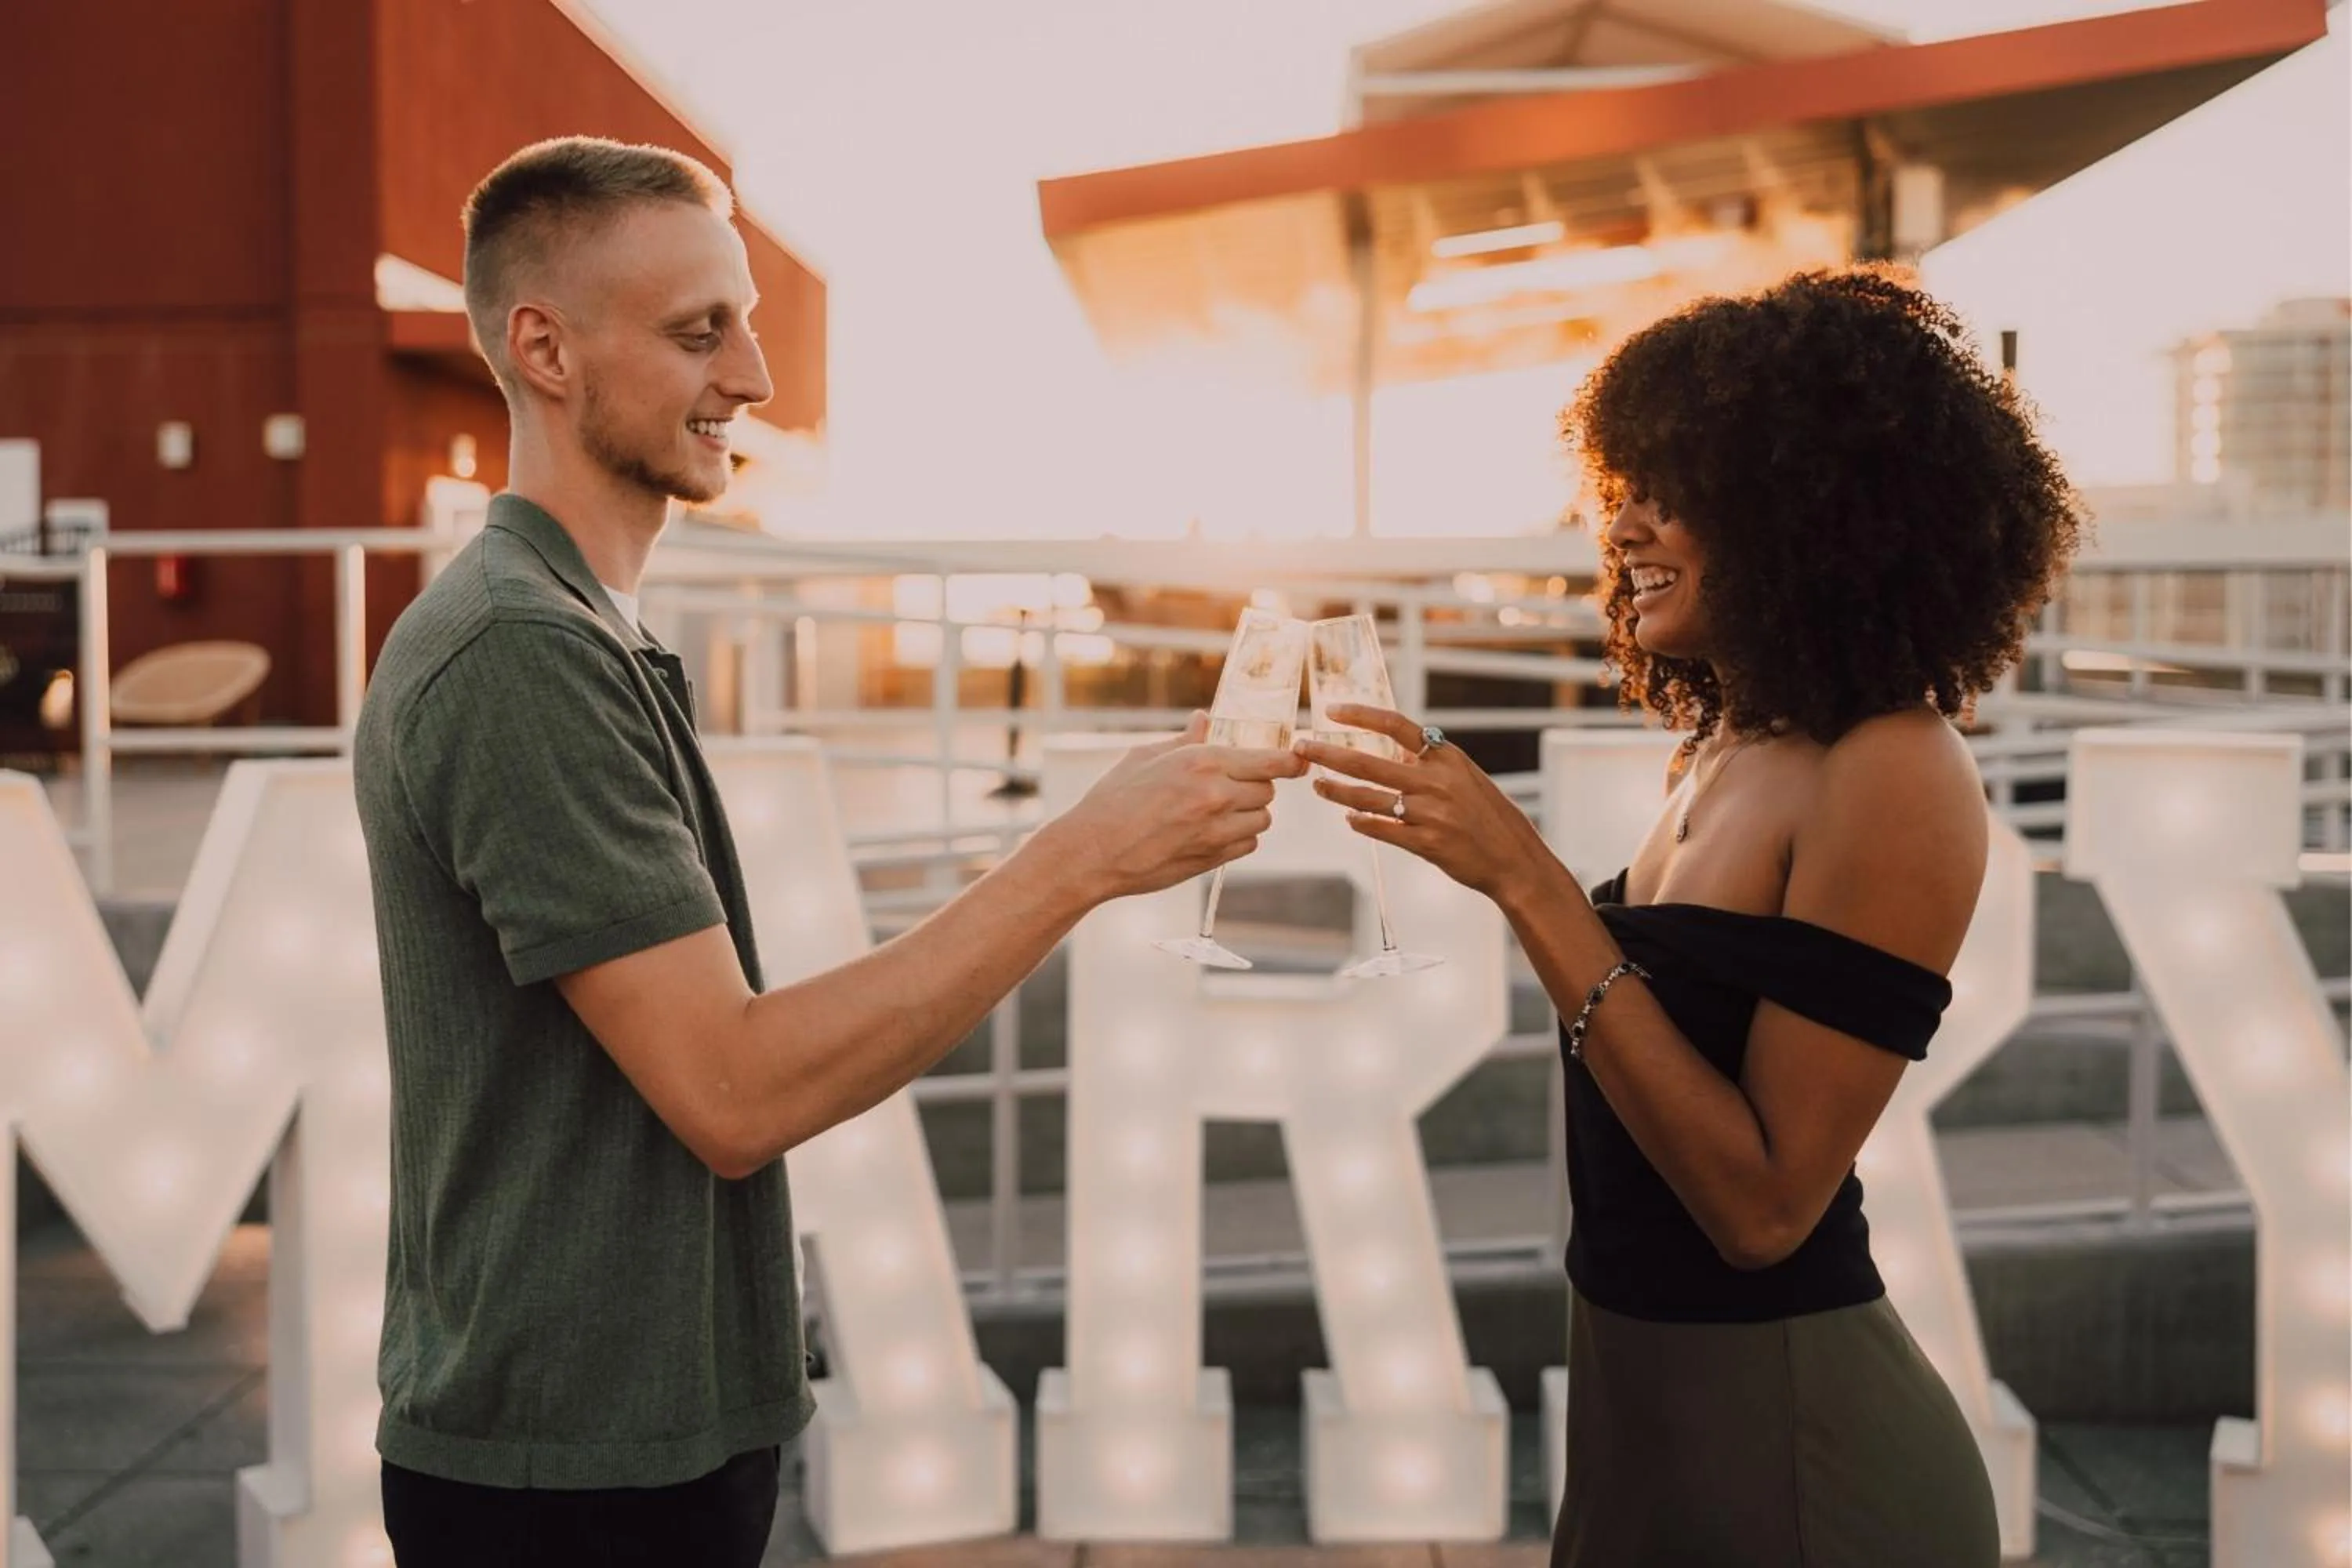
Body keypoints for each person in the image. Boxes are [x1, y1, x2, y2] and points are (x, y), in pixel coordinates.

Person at [353, 136, 1302, 1568]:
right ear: (543, 349)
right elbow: (734, 1090)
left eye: (744, 321)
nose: (755, 377)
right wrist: (1083, 856)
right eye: (698, 333)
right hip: (571, 1479)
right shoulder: (520, 656)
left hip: (629, 1440)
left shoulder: (581, 632)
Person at [1298, 267, 2082, 1568]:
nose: (1628, 528)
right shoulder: (1719, 747)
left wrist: (1528, 883)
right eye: (1623, 489)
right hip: (1634, 1427)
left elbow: (1764, 1210)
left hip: (1801, 1462)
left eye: (1675, 489)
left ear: (1810, 505)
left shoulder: (1893, 768)